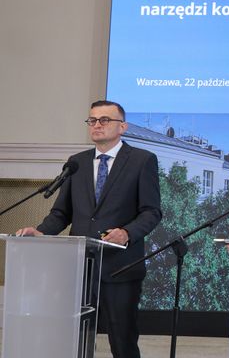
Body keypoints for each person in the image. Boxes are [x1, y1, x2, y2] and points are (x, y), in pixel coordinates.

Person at [17, 100, 162, 358]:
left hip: (121, 266)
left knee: (123, 340)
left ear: (122, 127)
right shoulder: (77, 163)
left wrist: (127, 233)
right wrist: (40, 232)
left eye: (104, 120)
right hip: (80, 266)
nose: (97, 125)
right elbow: (61, 212)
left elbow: (151, 211)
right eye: (92, 120)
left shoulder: (142, 161)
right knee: (78, 339)